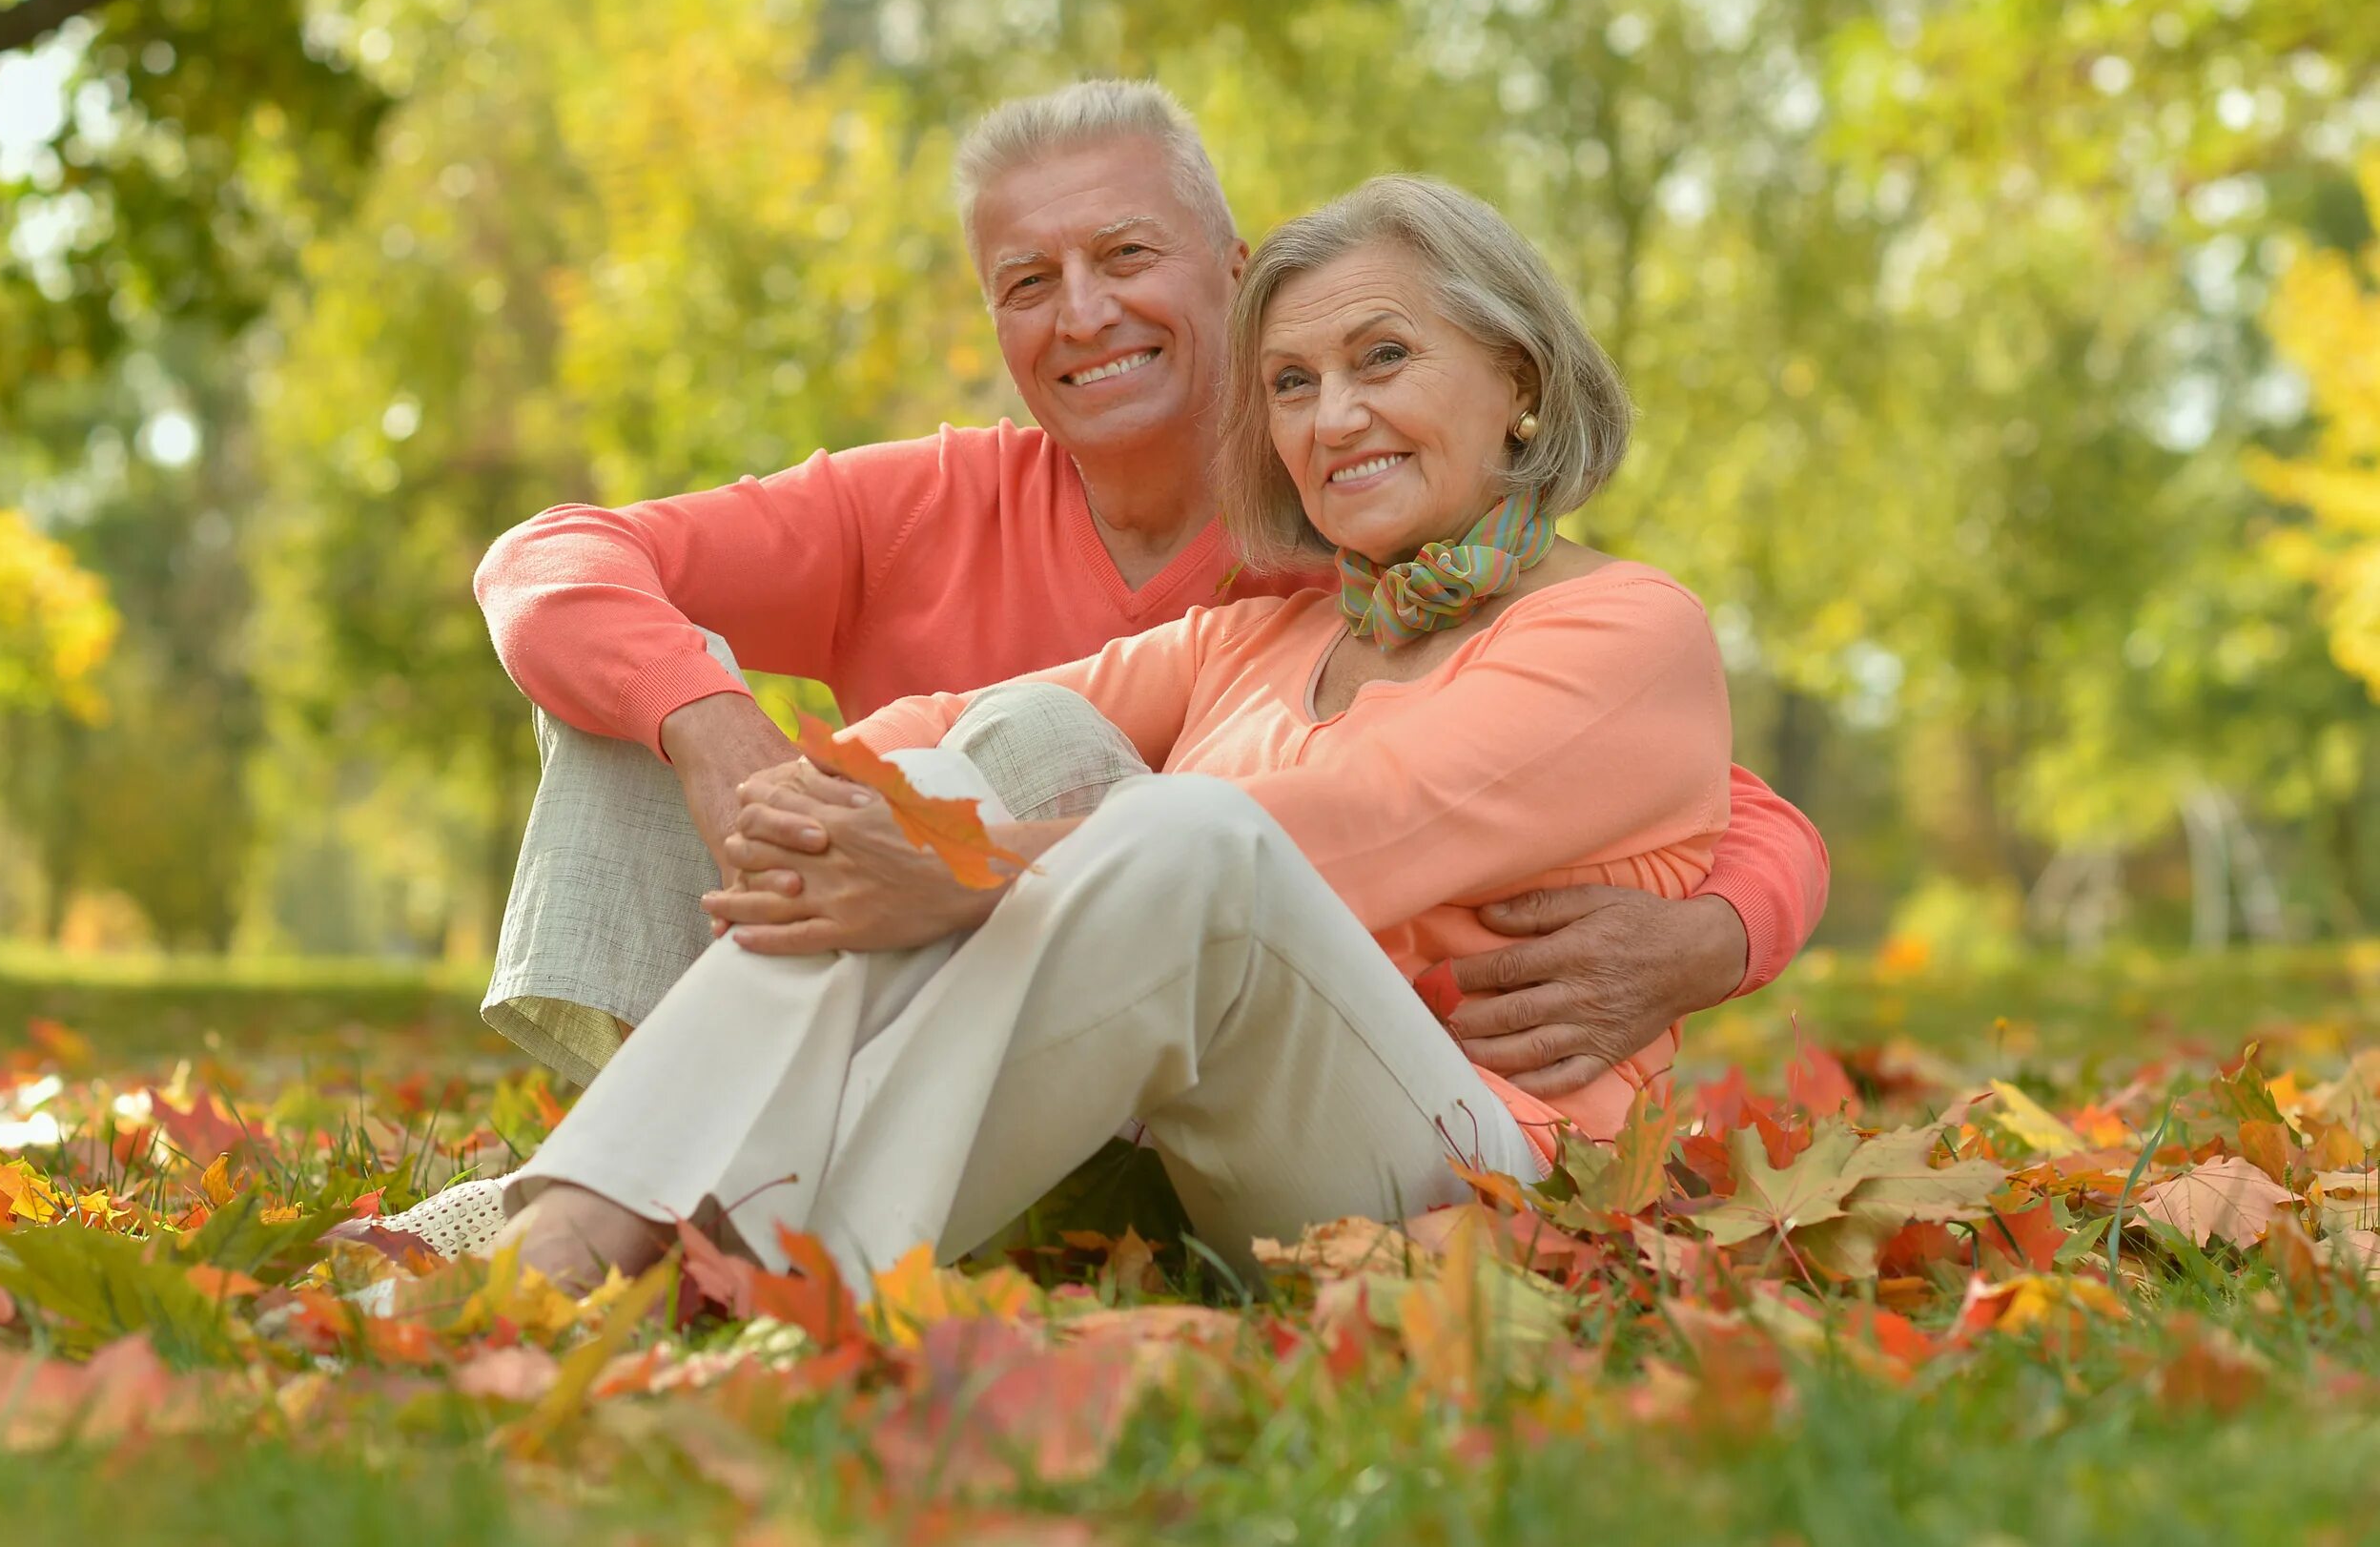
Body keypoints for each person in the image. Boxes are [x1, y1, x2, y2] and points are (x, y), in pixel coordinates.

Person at [382, 85, 1822, 1256]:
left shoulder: (1619, 624)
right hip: (1156, 1112)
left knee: (1197, 825)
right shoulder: (1276, 626)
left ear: (1517, 382)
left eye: (1384, 357)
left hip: (1469, 1168)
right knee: (973, 734)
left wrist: (1717, 935)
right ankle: (607, 1211)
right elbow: (910, 729)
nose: (1337, 417)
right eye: (1299, 384)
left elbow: (1333, 832)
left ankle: (688, 1228)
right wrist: (760, 762)